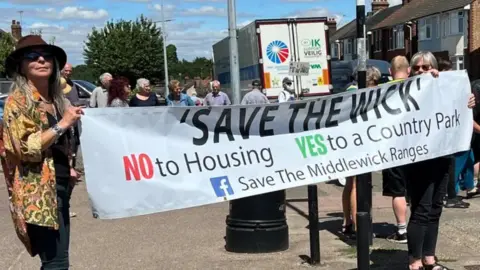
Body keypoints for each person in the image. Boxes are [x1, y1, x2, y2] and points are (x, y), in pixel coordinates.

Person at [2, 35, 83, 269]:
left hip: (59, 185)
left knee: (57, 261)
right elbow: (25, 147)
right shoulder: (17, 101)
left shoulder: (56, 100)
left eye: (47, 55)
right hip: (37, 192)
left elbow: (59, 144)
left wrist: (67, 167)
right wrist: (63, 124)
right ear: (21, 66)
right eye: (32, 56)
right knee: (56, 263)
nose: (41, 59)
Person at [405, 51, 475, 270]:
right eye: (417, 68)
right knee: (421, 209)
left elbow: (458, 107)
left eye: (426, 67)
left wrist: (467, 101)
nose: (422, 71)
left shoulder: (444, 88)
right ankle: (414, 261)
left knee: (436, 208)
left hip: (442, 157)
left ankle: (429, 258)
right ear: (410, 71)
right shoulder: (404, 91)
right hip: (418, 161)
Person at [341, 65, 381, 238]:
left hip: (346, 143)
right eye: (376, 82)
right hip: (356, 143)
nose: (377, 86)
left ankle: (347, 221)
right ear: (369, 80)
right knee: (358, 184)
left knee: (350, 183)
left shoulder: (348, 91)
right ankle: (360, 227)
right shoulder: (360, 94)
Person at [381, 56, 411, 243]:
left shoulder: (383, 91)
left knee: (398, 191)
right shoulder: (419, 88)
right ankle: (417, 224)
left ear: (390, 72)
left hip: (393, 148)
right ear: (408, 71)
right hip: (417, 147)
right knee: (417, 190)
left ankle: (402, 230)